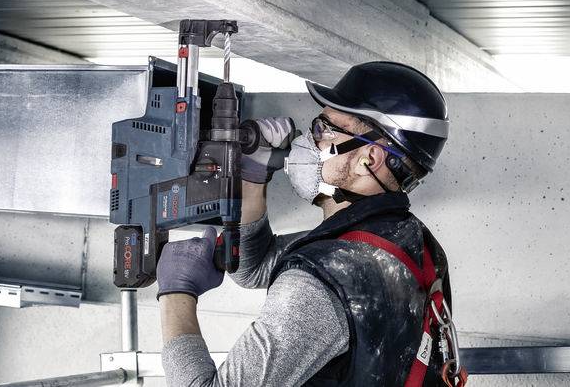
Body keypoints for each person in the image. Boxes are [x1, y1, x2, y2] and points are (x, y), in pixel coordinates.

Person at [156, 61, 465, 386]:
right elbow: (254, 269)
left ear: (368, 159)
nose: (308, 138)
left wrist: (177, 292)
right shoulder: (410, 243)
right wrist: (253, 177)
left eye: (324, 128)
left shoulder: (322, 281)